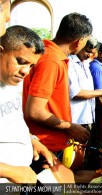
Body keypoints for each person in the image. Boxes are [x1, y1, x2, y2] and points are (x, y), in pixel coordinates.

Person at [22, 13, 92, 156]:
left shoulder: (51, 55)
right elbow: (35, 111)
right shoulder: (51, 61)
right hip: (44, 144)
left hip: (46, 141)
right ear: (79, 41)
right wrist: (70, 127)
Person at [0, 25, 55, 183]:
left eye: (31, 66)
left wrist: (31, 140)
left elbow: (11, 122)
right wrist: (10, 171)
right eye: (21, 62)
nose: (26, 71)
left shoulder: (11, 84)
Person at [68, 37, 102, 169]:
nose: (88, 55)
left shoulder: (84, 63)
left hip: (86, 117)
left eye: (91, 52)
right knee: (72, 157)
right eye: (86, 51)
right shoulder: (71, 63)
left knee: (82, 155)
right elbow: (76, 92)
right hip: (77, 119)